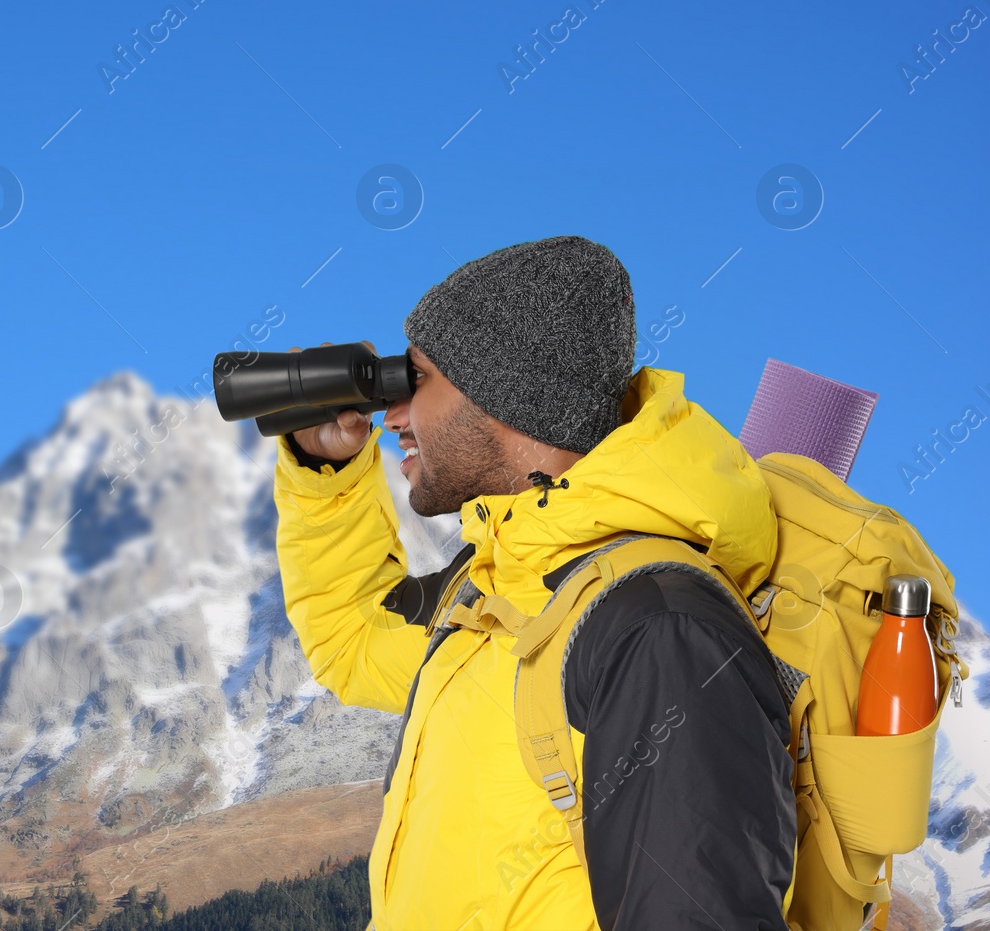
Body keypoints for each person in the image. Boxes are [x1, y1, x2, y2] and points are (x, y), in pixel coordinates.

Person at [274, 235, 795, 929]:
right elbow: (353, 638)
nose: (391, 415)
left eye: (418, 379)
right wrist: (325, 467)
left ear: (506, 400)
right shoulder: (496, 590)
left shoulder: (655, 627)